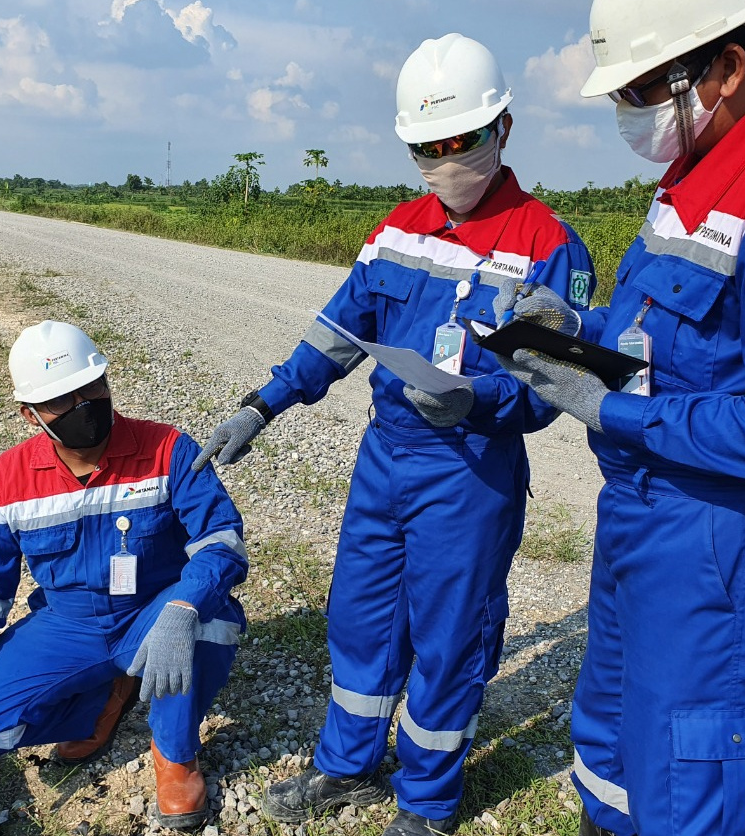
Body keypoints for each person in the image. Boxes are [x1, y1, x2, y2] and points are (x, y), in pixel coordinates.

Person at [498, 2, 745, 834]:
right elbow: (660, 339)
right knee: (610, 748)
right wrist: (575, 333)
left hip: (725, 544)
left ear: (727, 68)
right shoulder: (693, 177)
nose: (628, 111)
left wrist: (612, 410)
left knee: (691, 786)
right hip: (642, 517)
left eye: (643, 87)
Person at [194, 33, 596, 836]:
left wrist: (482, 402)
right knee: (361, 617)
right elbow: (338, 334)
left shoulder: (548, 247)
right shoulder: (397, 232)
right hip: (387, 459)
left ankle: (428, 801)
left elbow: (561, 386)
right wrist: (262, 405)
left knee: (451, 634)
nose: (445, 161)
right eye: (426, 148)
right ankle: (346, 767)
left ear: (503, 129)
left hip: (470, 471)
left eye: (460, 142)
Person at [0, 320, 248, 831]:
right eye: (61, 401)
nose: (83, 406)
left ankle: (175, 753)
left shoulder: (167, 449)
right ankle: (102, 699)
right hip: (69, 626)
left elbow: (222, 540)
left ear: (107, 380)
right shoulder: (7, 481)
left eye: (90, 388)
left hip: (154, 610)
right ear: (30, 414)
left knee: (204, 622)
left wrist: (182, 608)